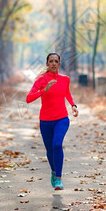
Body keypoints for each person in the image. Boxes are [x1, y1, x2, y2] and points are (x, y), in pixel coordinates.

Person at [25, 53, 78, 190]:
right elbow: (28, 98)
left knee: (56, 145)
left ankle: (59, 179)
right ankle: (53, 172)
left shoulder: (65, 79)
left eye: (56, 61)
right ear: (47, 64)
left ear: (59, 64)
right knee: (49, 150)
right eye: (51, 61)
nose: (54, 63)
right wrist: (44, 90)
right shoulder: (41, 80)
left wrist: (73, 105)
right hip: (45, 121)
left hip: (61, 118)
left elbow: (67, 93)